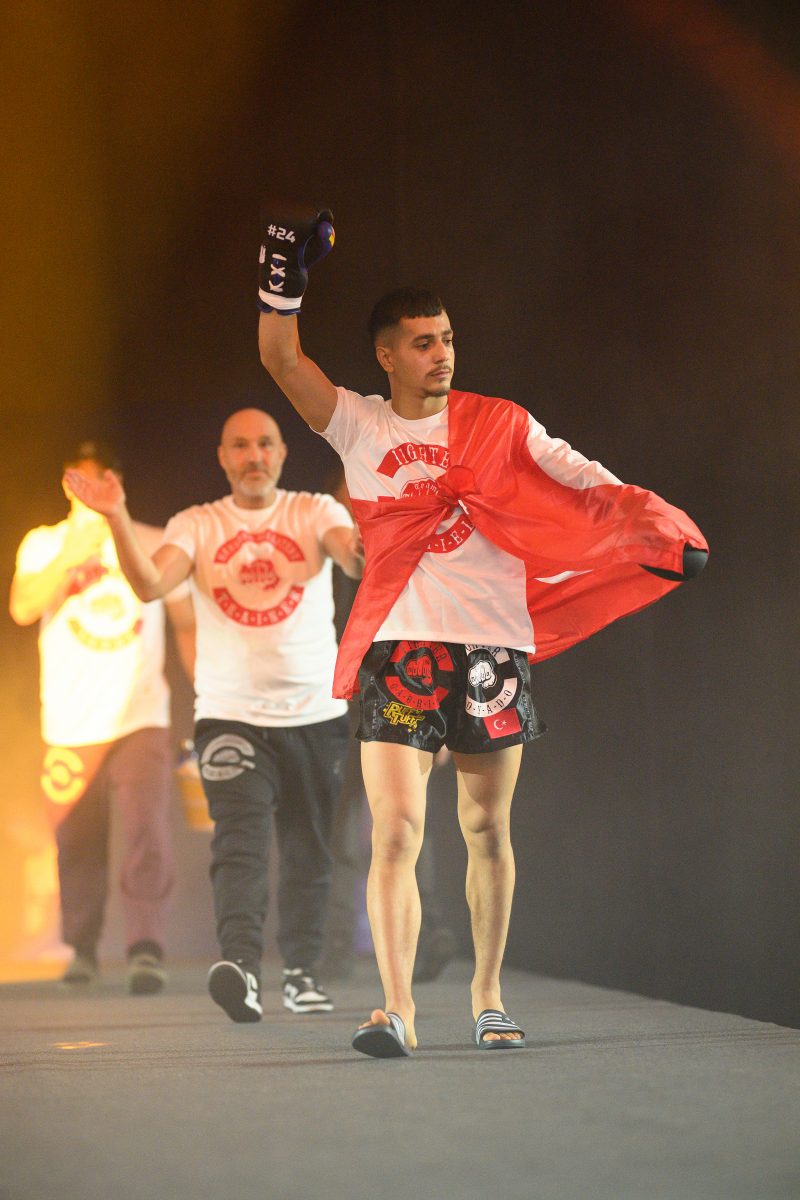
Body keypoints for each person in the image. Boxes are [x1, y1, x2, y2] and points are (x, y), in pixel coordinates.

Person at [255, 206, 708, 1057]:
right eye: (423, 342)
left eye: (448, 338)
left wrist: (659, 531)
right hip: (400, 645)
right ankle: (395, 1009)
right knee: (394, 832)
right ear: (387, 354)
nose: (442, 353)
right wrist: (284, 271)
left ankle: (489, 997)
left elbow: (583, 480)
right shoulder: (359, 424)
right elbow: (281, 358)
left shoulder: (502, 423)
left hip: (490, 649)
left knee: (487, 829)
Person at [63, 409, 363, 1023]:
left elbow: (355, 561)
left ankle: (303, 971)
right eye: (240, 446)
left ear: (282, 453)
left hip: (315, 712)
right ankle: (244, 972)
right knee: (240, 845)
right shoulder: (197, 524)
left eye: (265, 444)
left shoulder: (315, 512)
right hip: (230, 715)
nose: (254, 455)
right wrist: (116, 515)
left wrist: (372, 517)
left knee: (309, 847)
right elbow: (148, 586)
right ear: (222, 457)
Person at [10, 440, 195, 994]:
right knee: (76, 839)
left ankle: (145, 948)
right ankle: (82, 947)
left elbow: (184, 616)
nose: (86, 493)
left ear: (116, 484)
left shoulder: (150, 539)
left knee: (147, 833)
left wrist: (206, 689)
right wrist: (75, 549)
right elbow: (22, 606)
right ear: (66, 487)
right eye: (77, 484)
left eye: (97, 483)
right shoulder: (44, 544)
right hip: (70, 722)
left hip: (142, 715)